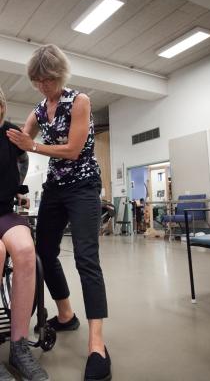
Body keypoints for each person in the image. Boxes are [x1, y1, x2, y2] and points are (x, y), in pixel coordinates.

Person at [7, 44, 111, 381]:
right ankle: (66, 314)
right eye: (36, 81)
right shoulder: (39, 108)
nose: (41, 87)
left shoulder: (78, 101)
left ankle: (97, 344)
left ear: (58, 76)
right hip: (55, 188)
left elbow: (73, 149)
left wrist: (33, 146)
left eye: (46, 81)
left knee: (86, 258)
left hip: (83, 187)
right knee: (44, 253)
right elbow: (19, 139)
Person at [0, 87, 49, 381]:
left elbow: (24, 157)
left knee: (26, 251)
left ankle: (18, 349)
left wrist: (17, 187)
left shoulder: (11, 133)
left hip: (5, 211)